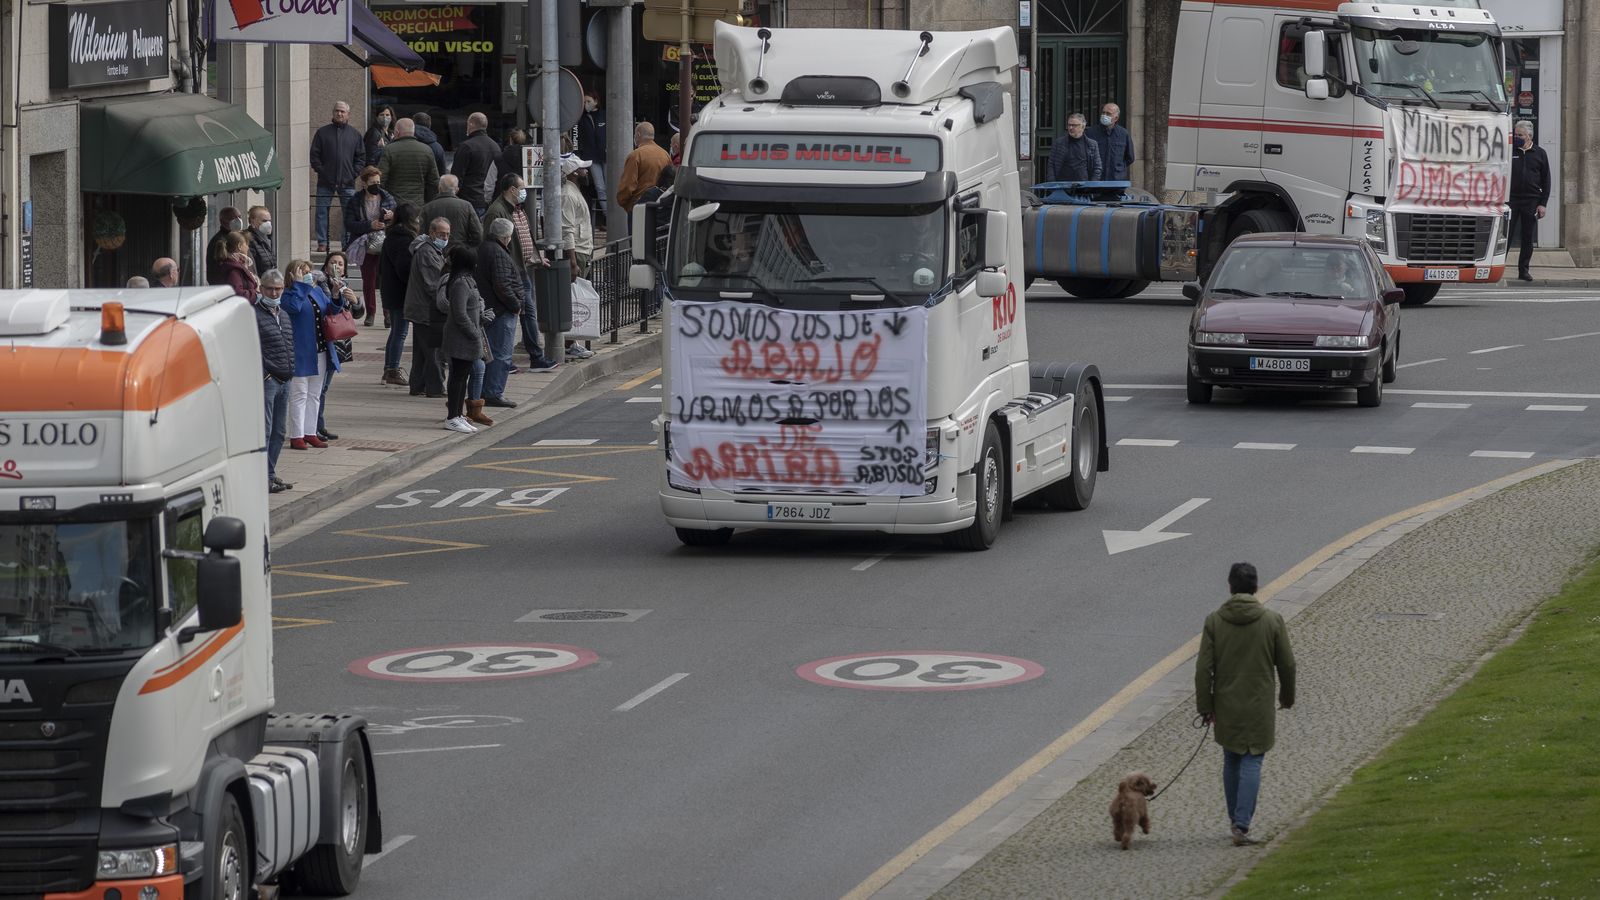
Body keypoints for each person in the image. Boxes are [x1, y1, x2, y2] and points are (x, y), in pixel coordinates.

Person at [1195, 562, 1296, 848]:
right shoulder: (1272, 620)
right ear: (1256, 587)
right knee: (1253, 758)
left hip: (1226, 703)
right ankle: (1241, 824)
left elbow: (1203, 669)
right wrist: (1286, 697)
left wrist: (1205, 706)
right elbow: (1287, 664)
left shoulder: (1214, 621)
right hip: (1258, 704)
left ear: (1230, 587)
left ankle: (1234, 819)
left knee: (1231, 758)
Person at [484, 173, 557, 370]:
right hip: (509, 272)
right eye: (522, 188)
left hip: (520, 270)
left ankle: (533, 357)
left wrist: (536, 258)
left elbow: (524, 238)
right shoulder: (497, 211)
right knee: (512, 317)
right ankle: (506, 360)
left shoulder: (517, 208)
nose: (524, 192)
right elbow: (492, 243)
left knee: (527, 314)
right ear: (512, 189)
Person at [280, 259, 343, 451]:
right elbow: (294, 308)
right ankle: (297, 435)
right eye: (303, 271)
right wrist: (299, 286)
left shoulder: (315, 291)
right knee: (299, 394)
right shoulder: (288, 294)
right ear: (292, 275)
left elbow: (331, 310)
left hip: (321, 349)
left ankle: (310, 432)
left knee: (315, 394)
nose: (307, 275)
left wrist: (335, 295)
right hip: (300, 351)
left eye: (308, 271)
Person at [442, 243, 492, 433]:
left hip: (468, 336)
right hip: (461, 338)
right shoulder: (460, 283)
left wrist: (481, 316)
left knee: (463, 376)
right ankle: (452, 417)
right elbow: (460, 314)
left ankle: (458, 414)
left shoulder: (468, 280)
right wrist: (474, 332)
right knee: (458, 377)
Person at [313, 251, 361, 442]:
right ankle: (314, 427)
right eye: (333, 262)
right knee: (319, 388)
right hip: (324, 339)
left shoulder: (344, 285)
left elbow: (356, 314)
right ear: (326, 266)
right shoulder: (320, 284)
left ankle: (319, 425)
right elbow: (327, 310)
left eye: (340, 264)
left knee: (324, 387)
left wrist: (355, 301)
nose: (337, 267)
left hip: (339, 340)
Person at [255, 269, 295, 493]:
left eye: (278, 289)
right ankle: (261, 477)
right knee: (265, 430)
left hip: (285, 379)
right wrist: (265, 374)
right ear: (261, 288)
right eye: (270, 288)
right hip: (269, 380)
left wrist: (291, 370)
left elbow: (289, 344)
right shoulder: (254, 314)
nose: (274, 293)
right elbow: (249, 347)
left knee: (280, 431)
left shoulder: (284, 314)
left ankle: (269, 474)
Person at [478, 219, 524, 410]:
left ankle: (485, 390)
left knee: (490, 353)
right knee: (501, 353)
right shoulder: (498, 252)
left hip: (492, 308)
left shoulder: (486, 247)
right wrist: (515, 305)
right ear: (506, 237)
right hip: (501, 310)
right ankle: (493, 392)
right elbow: (502, 284)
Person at [404, 217, 452, 397]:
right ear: (432, 233)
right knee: (433, 351)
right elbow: (433, 285)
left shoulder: (431, 250)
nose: (445, 238)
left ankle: (418, 385)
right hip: (426, 310)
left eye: (447, 234)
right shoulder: (427, 252)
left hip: (422, 309)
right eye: (441, 234)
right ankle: (435, 387)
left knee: (422, 351)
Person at [310, 101, 366, 253]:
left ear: (348, 114)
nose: (339, 113)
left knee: (349, 214)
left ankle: (346, 242)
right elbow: (314, 156)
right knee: (321, 212)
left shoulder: (355, 134)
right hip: (325, 182)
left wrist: (353, 174)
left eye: (342, 111)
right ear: (333, 113)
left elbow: (361, 158)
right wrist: (322, 171)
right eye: (337, 111)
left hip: (348, 183)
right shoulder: (322, 133)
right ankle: (322, 242)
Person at [343, 166, 395, 325]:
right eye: (373, 183)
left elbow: (398, 219)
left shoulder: (387, 197)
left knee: (386, 280)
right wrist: (370, 225)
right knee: (369, 280)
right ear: (364, 183)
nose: (376, 186)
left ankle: (387, 313)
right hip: (365, 244)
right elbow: (349, 224)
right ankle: (371, 313)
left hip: (385, 243)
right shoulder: (355, 201)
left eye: (378, 182)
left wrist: (392, 217)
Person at [378, 202, 420, 386]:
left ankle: (389, 368)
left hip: (391, 289)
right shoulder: (404, 239)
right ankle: (392, 369)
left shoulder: (392, 236)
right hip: (400, 292)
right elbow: (404, 268)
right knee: (400, 332)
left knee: (396, 331)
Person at [1509, 120, 1551, 283]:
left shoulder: (1540, 153)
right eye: (1515, 134)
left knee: (1527, 237)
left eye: (1520, 135)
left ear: (1529, 136)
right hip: (1511, 200)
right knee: (1506, 236)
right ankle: (1498, 268)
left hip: (1531, 200)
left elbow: (1546, 180)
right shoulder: (1510, 151)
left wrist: (1543, 204)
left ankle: (1524, 270)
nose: (1517, 137)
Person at [377, 117, 439, 210]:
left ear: (397, 132)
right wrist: (427, 201)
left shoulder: (389, 150)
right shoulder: (427, 150)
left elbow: (381, 179)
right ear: (413, 132)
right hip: (418, 204)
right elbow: (433, 181)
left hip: (395, 204)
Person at [617, 122, 672, 219]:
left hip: (639, 206)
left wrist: (624, 202)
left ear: (638, 135)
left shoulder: (635, 155)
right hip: (659, 205)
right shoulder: (665, 154)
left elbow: (628, 185)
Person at [451, 111, 501, 215]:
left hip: (468, 200)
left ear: (471, 124)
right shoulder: (496, 147)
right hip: (489, 200)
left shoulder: (466, 147)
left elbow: (457, 176)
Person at [420, 175, 483, 249]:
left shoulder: (427, 208)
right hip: (459, 251)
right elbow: (478, 234)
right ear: (457, 190)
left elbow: (421, 235)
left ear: (439, 188)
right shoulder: (466, 206)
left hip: (434, 251)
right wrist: (467, 248)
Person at [576, 89, 607, 226]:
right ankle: (607, 216)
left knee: (610, 186)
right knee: (600, 187)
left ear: (596, 101)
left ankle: (613, 215)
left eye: (588, 101)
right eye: (584, 102)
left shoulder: (605, 115)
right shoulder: (582, 118)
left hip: (606, 156)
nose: (586, 104)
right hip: (591, 157)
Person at [1087, 102, 1135, 183]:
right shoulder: (1091, 132)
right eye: (1103, 113)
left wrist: (1118, 168)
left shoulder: (1124, 134)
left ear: (1116, 118)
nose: (1104, 115)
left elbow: (1130, 157)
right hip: (1096, 180)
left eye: (1108, 114)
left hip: (1116, 180)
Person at [1048, 113, 1103, 182]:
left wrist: (1092, 185)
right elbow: (1051, 164)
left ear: (1083, 126)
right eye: (1069, 125)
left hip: (1084, 185)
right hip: (1062, 185)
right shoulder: (1059, 143)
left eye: (1074, 125)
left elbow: (1097, 167)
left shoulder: (1092, 145)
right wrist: (1052, 183)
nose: (1070, 128)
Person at [205, 207, 245, 285]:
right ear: (222, 221)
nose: (238, 220)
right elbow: (215, 269)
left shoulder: (239, 237)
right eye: (233, 218)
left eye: (239, 217)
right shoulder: (219, 241)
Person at [220, 232, 259, 299]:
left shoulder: (237, 264)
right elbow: (238, 294)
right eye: (246, 244)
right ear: (239, 246)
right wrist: (255, 294)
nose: (248, 247)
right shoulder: (234, 268)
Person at [498, 129, 530, 199]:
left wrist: (488, 200)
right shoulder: (530, 159)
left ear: (510, 140)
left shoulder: (498, 158)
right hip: (525, 199)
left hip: (503, 198)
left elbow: (490, 183)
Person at [246, 206, 276, 276]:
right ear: (253, 221)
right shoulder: (248, 239)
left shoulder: (268, 238)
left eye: (269, 221)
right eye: (264, 221)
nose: (268, 224)